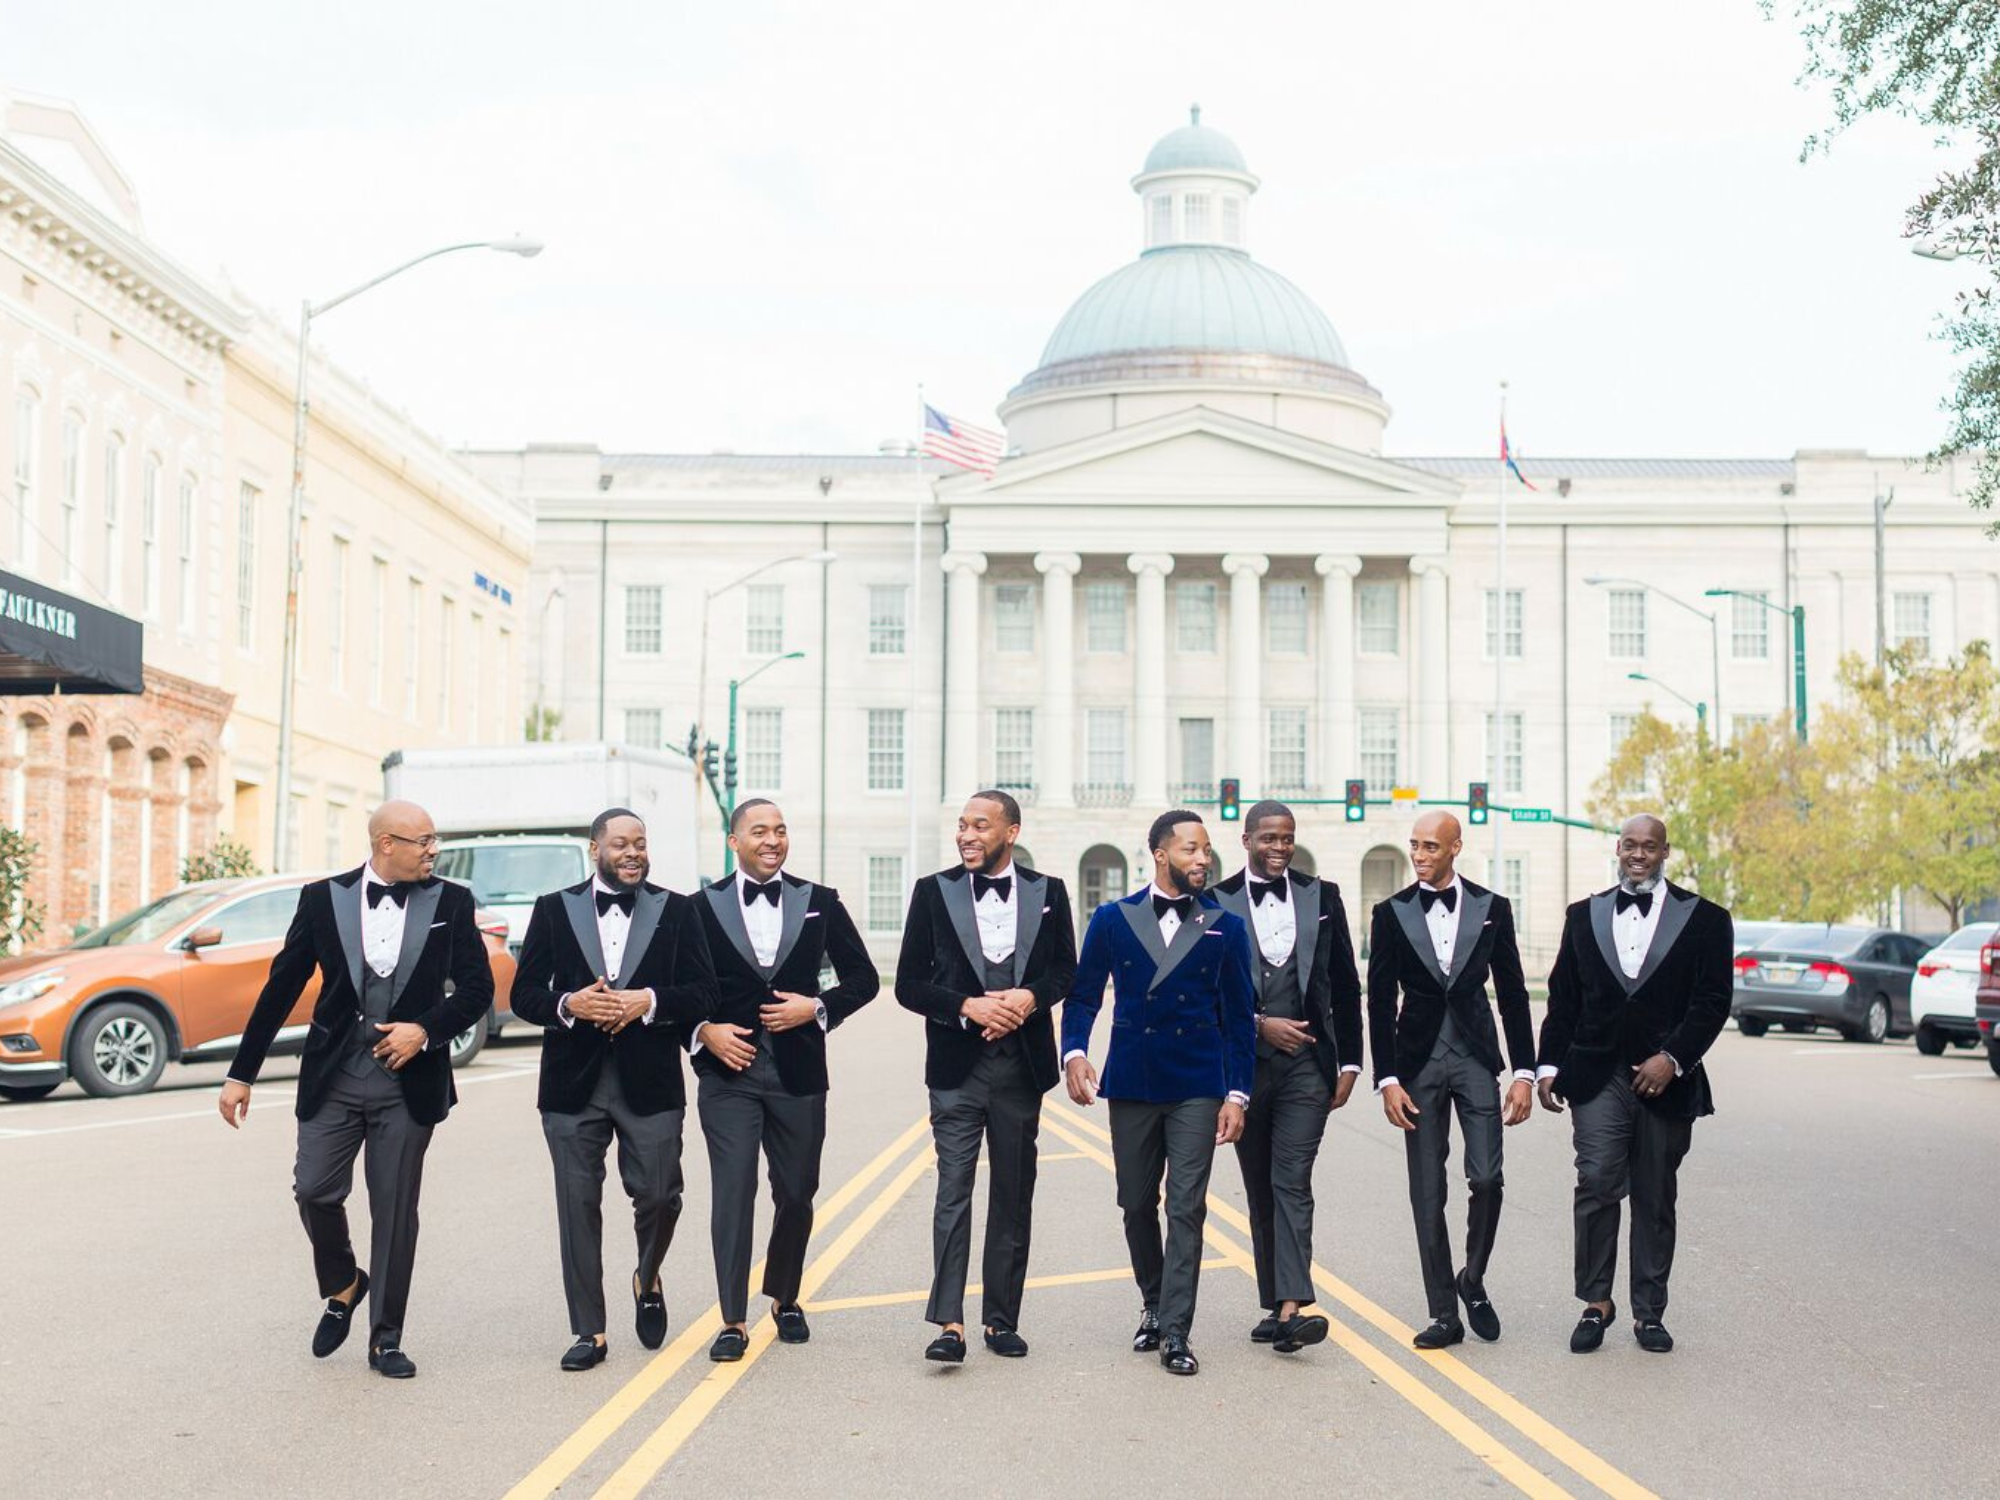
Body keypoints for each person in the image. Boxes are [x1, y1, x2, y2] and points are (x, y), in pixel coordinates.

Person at [216, 800, 494, 1380]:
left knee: (394, 1213)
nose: (432, 851)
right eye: (423, 841)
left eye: (434, 840)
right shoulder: (323, 899)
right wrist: (242, 1072)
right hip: (334, 1076)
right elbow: (281, 986)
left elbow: (476, 989)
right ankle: (343, 1282)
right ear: (385, 844)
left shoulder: (453, 901)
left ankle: (385, 1339)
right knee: (313, 1190)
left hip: (408, 1084)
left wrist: (427, 1030)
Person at [510, 807, 718, 1371]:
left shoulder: (677, 910)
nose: (633, 853)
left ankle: (646, 1276)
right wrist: (568, 1005)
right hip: (571, 1086)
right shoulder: (553, 910)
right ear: (594, 848)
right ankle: (589, 1332)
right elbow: (524, 994)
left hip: (649, 1082)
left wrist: (648, 1001)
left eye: (641, 844)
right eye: (621, 844)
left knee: (660, 1195)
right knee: (577, 1207)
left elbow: (704, 991)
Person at [1062, 809, 1255, 1377]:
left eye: (1207, 850)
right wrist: (1075, 1052)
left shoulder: (1226, 924)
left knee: (1187, 1206)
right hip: (1133, 1082)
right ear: (1161, 854)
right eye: (1191, 849)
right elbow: (1082, 997)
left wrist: (1238, 1093)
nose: (1204, 859)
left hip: (1198, 1083)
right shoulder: (1112, 918)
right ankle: (1152, 1301)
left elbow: (1240, 1019)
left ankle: (1176, 1329)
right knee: (1135, 1203)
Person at [689, 798, 879, 1362]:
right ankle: (731, 1318)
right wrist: (703, 1030)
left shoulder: (820, 903)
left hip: (798, 1071)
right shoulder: (698, 907)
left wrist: (815, 1008)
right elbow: (675, 992)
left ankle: (786, 1296)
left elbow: (864, 978)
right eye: (759, 831)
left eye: (780, 831)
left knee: (796, 1192)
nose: (772, 840)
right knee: (733, 1192)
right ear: (734, 841)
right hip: (728, 1074)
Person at [1537, 814, 1732, 1355]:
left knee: (1654, 1194)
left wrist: (1672, 1058)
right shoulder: (1584, 915)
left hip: (1664, 1082)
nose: (1638, 854)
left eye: (1650, 846)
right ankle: (1595, 1303)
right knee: (1596, 1180)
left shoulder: (1707, 919)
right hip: (1595, 1073)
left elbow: (1713, 1002)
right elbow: (1564, 1000)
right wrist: (1549, 1065)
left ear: (1666, 852)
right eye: (1630, 845)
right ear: (1618, 849)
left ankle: (1649, 1313)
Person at [896, 790, 1077, 1364]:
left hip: (1021, 1068)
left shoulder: (1050, 893)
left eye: (980, 825)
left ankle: (1001, 1320)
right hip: (956, 1067)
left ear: (1011, 832)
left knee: (1012, 1193)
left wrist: (1027, 998)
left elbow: (1065, 971)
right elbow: (909, 984)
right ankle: (949, 1322)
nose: (966, 835)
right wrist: (968, 1007)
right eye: (962, 825)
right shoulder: (932, 892)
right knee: (953, 1189)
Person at [1366, 809, 1534, 1350]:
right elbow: (1378, 999)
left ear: (1455, 848)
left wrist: (1525, 1072)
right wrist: (1387, 1077)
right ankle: (1443, 1311)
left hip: (1476, 1056)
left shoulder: (1492, 909)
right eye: (1414, 846)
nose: (1418, 856)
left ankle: (1473, 1278)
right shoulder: (1389, 914)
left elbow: (1512, 993)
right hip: (1415, 1064)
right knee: (1427, 1191)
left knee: (1487, 1178)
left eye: (1430, 847)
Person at [1211, 800, 1362, 1355]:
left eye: (1287, 838)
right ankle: (1275, 1303)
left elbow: (1345, 983)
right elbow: (1208, 993)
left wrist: (1350, 1062)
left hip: (1307, 1067)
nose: (1279, 848)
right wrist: (1258, 1025)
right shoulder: (1215, 901)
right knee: (1259, 1185)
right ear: (1246, 839)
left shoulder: (1323, 896)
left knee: (1291, 1179)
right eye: (1269, 838)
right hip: (1242, 1071)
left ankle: (1295, 1306)